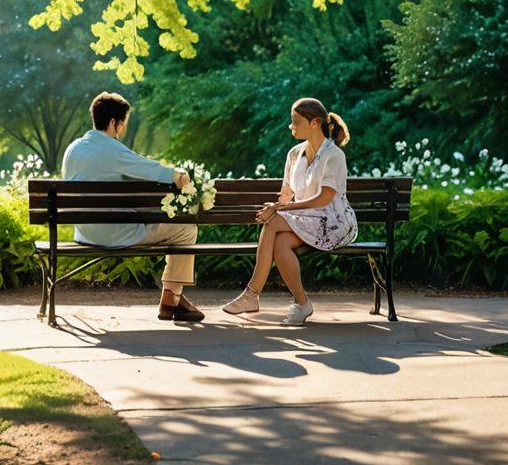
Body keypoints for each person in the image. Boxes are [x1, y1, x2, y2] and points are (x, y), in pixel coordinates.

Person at [61, 91, 205, 323]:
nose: (123, 129)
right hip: (114, 234)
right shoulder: (114, 151)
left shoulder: (73, 149)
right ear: (113, 123)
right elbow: (155, 170)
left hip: (84, 231)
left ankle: (173, 299)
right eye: (123, 123)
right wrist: (178, 175)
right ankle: (172, 298)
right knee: (186, 228)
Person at [222, 97, 357, 325]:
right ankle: (302, 304)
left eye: (296, 121)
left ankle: (252, 294)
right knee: (281, 242)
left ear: (315, 122)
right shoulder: (294, 153)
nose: (291, 126)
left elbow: (324, 198)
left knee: (274, 222)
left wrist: (278, 209)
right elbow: (286, 193)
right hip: (307, 219)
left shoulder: (335, 156)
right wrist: (275, 206)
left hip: (333, 223)